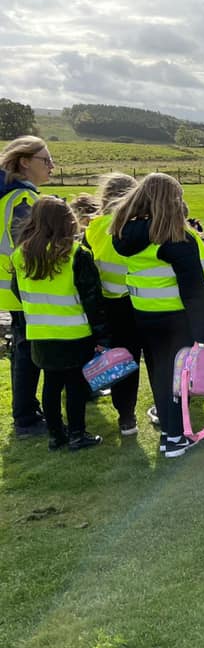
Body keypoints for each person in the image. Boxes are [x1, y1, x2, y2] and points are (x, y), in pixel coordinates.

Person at [111, 173, 204, 458]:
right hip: (175, 319)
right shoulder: (175, 239)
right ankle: (174, 438)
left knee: (160, 374)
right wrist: (203, 334)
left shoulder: (124, 234)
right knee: (178, 379)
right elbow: (194, 290)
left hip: (144, 316)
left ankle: (170, 431)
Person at [10, 197, 107, 450]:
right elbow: (92, 298)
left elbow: (18, 292)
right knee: (75, 386)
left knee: (50, 385)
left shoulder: (20, 255)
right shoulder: (76, 254)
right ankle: (77, 433)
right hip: (75, 331)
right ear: (68, 222)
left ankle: (56, 434)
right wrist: (100, 335)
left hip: (40, 332)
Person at [0, 135, 54, 437]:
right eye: (45, 160)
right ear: (24, 162)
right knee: (27, 352)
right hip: (22, 288)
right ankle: (26, 418)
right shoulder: (22, 200)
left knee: (24, 349)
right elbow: (32, 248)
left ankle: (27, 411)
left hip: (12, 287)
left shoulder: (10, 196)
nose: (52, 167)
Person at [81, 172, 141, 434]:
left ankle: (126, 416)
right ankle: (165, 410)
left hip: (107, 305)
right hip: (137, 300)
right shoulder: (136, 227)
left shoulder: (92, 230)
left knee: (121, 360)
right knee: (151, 356)